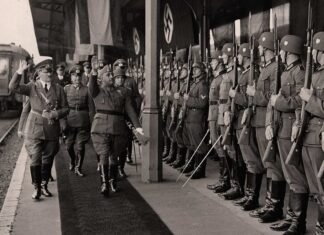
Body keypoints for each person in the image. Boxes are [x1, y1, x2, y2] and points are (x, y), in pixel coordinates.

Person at [266, 35, 309, 234]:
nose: (280, 55)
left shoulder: (300, 73)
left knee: (295, 175)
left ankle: (297, 222)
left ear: (289, 52)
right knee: (289, 174)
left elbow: (301, 101)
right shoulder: (286, 73)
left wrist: (278, 103)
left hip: (291, 128)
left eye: (282, 51)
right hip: (282, 127)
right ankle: (292, 217)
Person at [9, 60, 69, 200]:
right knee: (35, 157)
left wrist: (55, 114)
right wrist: (19, 72)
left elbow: (66, 108)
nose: (49, 74)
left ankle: (44, 185)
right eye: (46, 72)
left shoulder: (59, 89)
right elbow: (13, 86)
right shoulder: (32, 87)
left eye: (50, 72)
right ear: (39, 73)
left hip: (51, 128)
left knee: (48, 158)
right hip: (34, 128)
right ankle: (36, 187)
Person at [248, 32, 287, 224]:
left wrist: (254, 94)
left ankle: (275, 207)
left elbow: (270, 99)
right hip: (259, 119)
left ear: (267, 49)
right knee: (268, 164)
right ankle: (270, 204)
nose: (259, 52)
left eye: (261, 48)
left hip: (268, 120)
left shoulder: (275, 69)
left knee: (274, 165)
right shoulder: (265, 68)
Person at [89, 59, 143, 196]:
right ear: (101, 79)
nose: (111, 77)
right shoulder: (97, 91)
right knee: (104, 155)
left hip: (118, 128)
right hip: (101, 128)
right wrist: (93, 73)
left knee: (114, 156)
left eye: (111, 75)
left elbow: (130, 110)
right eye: (108, 75)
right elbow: (92, 86)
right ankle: (104, 183)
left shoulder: (122, 92)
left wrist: (138, 128)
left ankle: (113, 181)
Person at [228, 43, 262, 210]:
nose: (238, 58)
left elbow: (250, 100)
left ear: (246, 56)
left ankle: (252, 197)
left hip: (246, 118)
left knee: (252, 159)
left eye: (240, 55)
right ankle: (247, 193)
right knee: (245, 158)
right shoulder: (244, 73)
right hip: (239, 118)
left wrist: (236, 96)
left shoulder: (252, 74)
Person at [299, 31, 324, 235]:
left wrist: (310, 99)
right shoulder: (315, 75)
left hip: (320, 137)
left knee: (322, 187)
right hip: (308, 135)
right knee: (316, 189)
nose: (314, 54)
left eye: (316, 50)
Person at [64, 64, 92, 177]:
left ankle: (78, 167)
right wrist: (63, 121)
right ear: (71, 77)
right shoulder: (66, 89)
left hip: (83, 121)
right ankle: (72, 160)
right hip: (69, 120)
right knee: (68, 146)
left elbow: (90, 107)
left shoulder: (87, 90)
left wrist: (91, 122)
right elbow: (63, 105)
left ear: (81, 77)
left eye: (78, 76)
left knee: (80, 145)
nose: (77, 78)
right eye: (74, 76)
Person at [182, 61, 209, 179]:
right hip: (190, 118)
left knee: (200, 145)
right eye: (193, 69)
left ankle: (200, 170)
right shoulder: (194, 84)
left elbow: (202, 103)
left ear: (202, 70)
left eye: (197, 69)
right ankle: (194, 167)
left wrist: (189, 100)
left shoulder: (202, 85)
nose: (194, 71)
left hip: (197, 118)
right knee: (193, 144)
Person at [206, 49, 227, 190]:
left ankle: (224, 179)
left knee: (221, 146)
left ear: (219, 62)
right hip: (212, 114)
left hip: (218, 114)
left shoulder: (222, 78)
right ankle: (223, 179)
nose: (211, 63)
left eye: (213, 61)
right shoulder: (215, 78)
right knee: (216, 144)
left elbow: (222, 100)